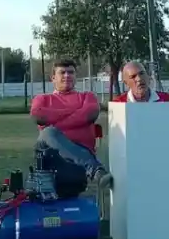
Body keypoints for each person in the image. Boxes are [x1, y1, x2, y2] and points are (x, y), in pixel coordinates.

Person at [30, 59, 113, 196]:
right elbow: (37, 115)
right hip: (51, 157)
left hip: (79, 157)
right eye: (62, 72)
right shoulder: (42, 99)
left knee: (50, 129)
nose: (67, 76)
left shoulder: (88, 96)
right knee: (49, 133)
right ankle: (95, 170)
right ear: (53, 78)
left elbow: (90, 114)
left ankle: (93, 169)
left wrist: (54, 119)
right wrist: (74, 111)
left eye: (71, 72)